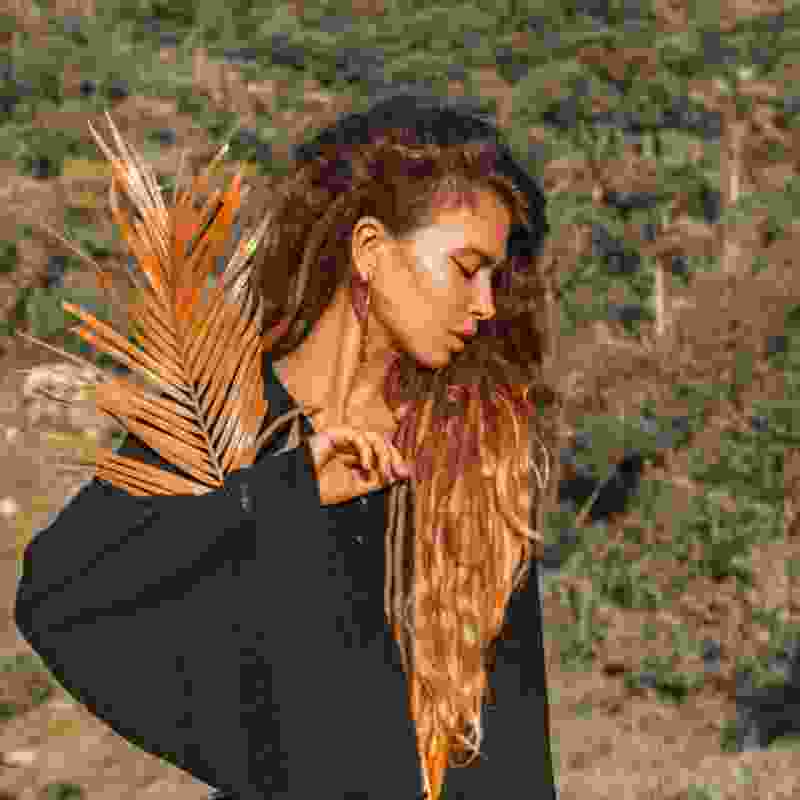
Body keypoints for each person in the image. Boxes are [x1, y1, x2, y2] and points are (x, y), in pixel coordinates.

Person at [14, 90, 559, 800]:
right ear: (370, 250)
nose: (485, 304)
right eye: (465, 268)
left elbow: (514, 741)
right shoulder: (222, 423)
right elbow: (60, 597)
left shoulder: (475, 448)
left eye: (494, 277)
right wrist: (283, 492)